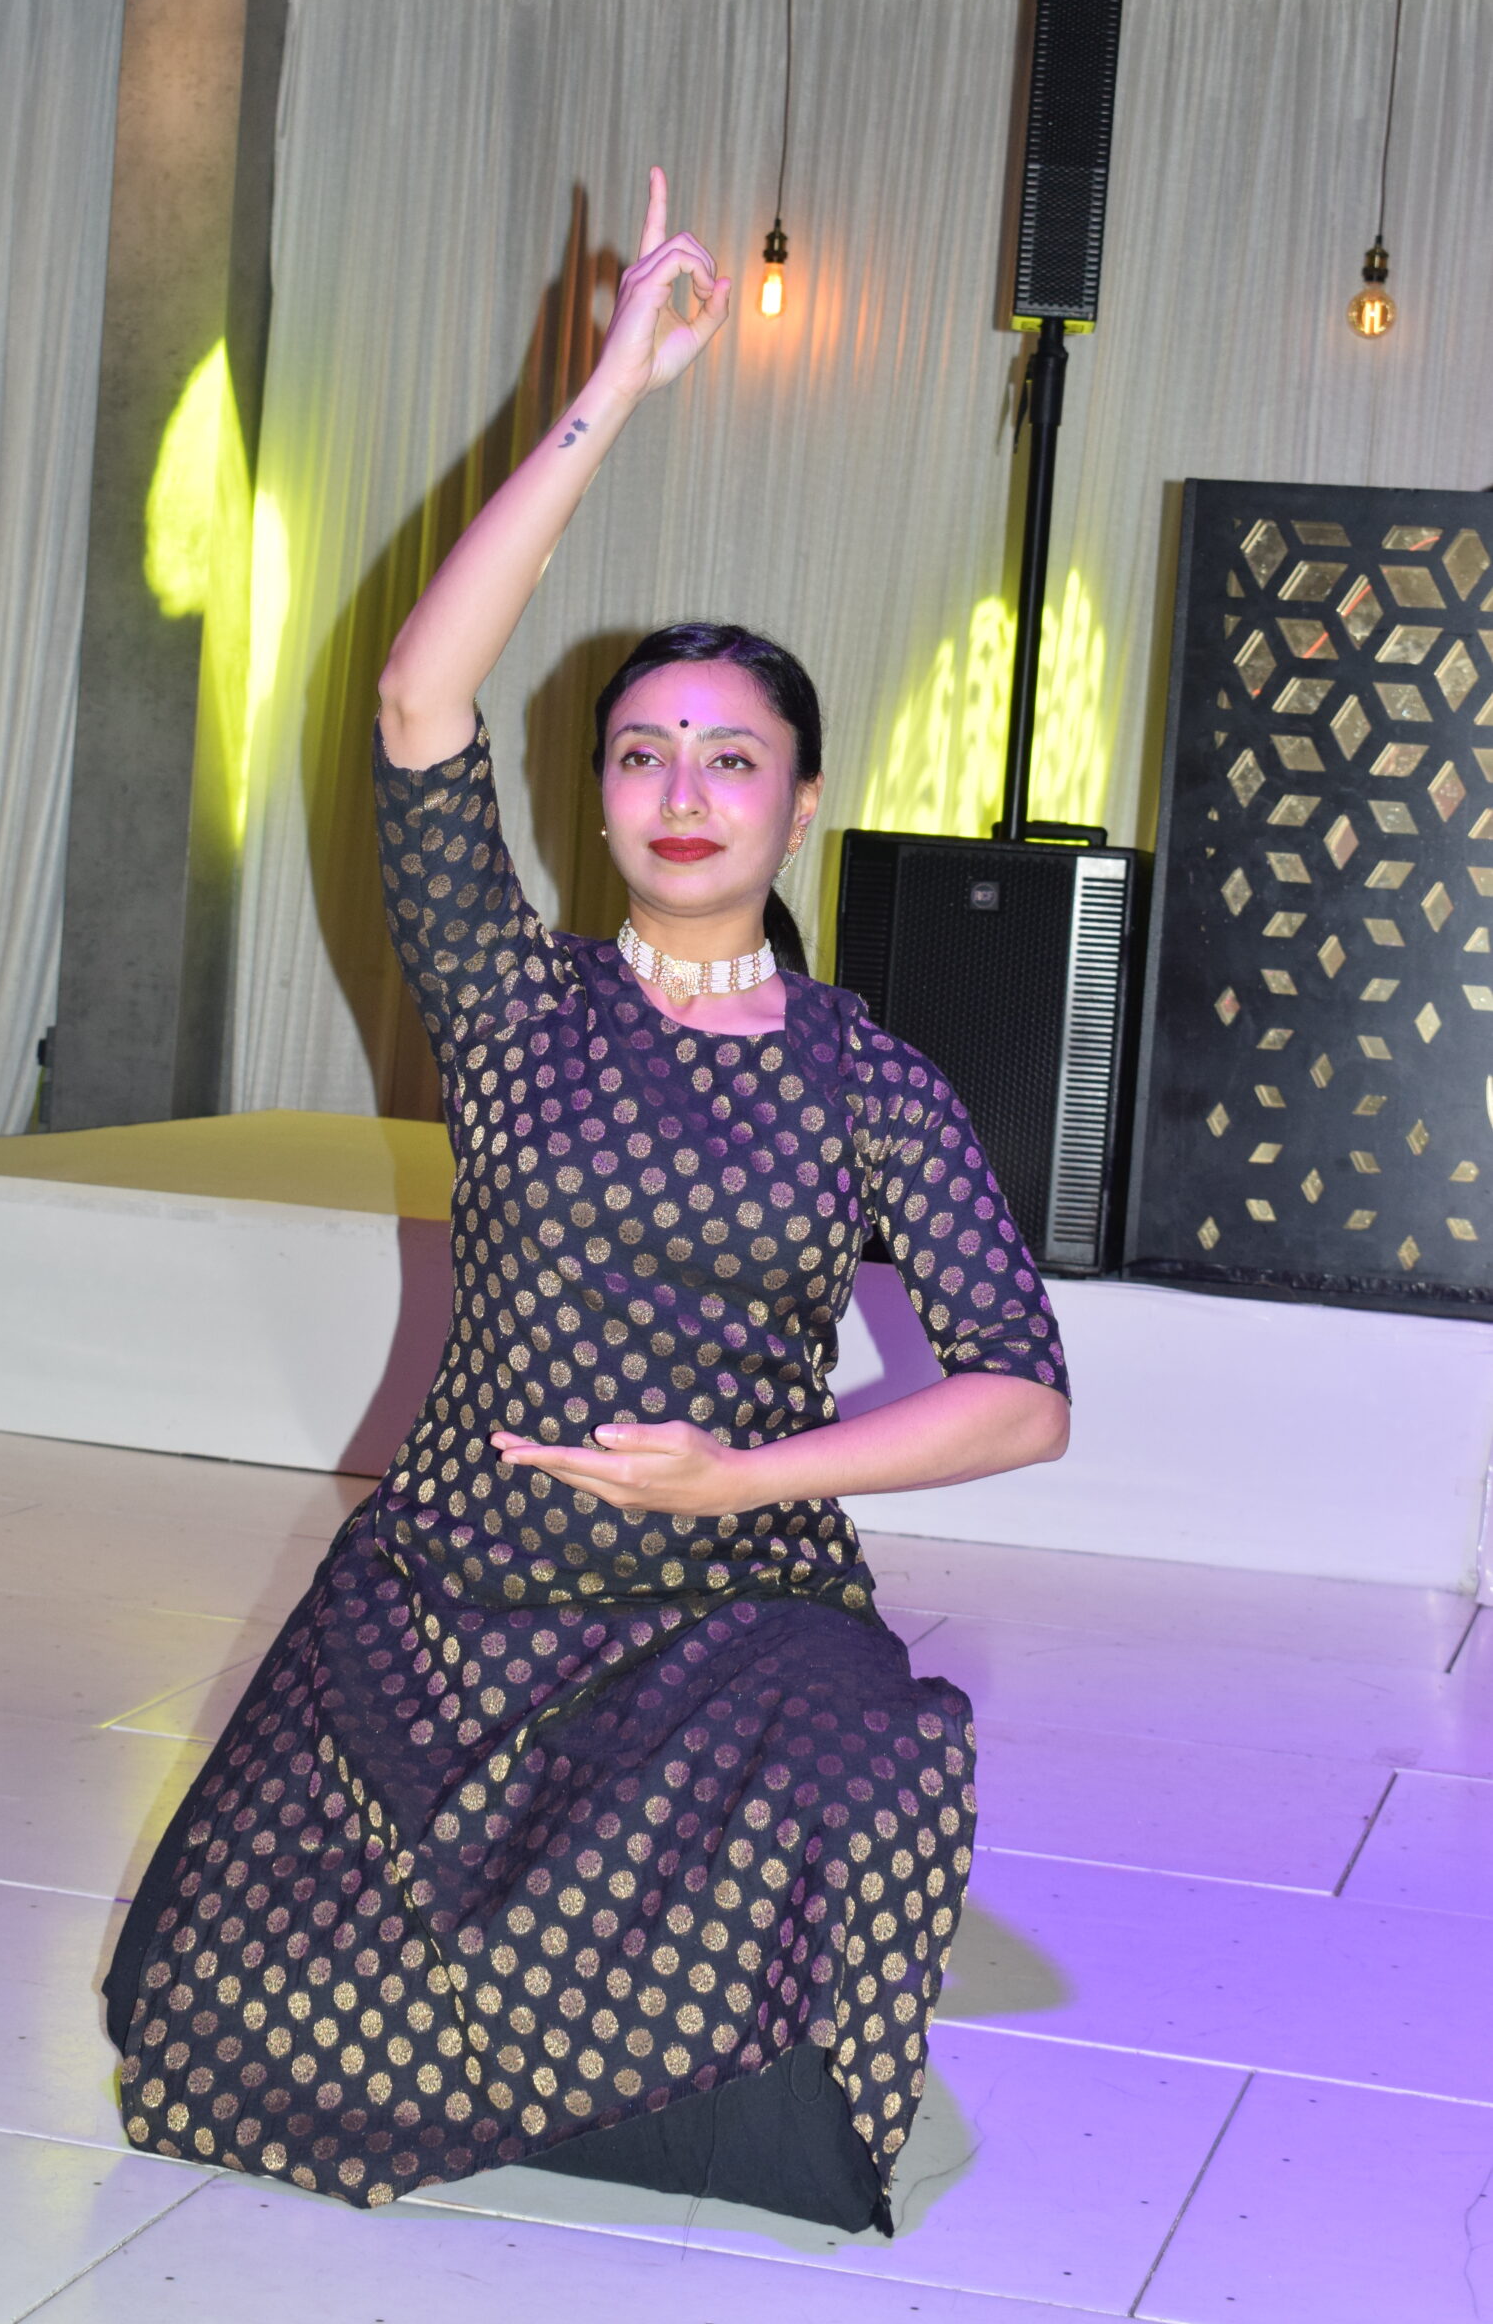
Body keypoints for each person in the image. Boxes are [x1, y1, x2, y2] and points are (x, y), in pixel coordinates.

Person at [105, 169, 1070, 2236]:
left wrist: (742, 1479)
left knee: (877, 1764)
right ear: (597, 794)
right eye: (642, 753)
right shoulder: (514, 999)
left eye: (732, 757)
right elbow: (414, 700)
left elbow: (1019, 1395)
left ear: (801, 802)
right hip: (454, 1592)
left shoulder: (867, 1081)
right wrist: (613, 382)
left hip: (730, 1597)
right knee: (204, 2032)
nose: (684, 790)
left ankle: (697, 2059)